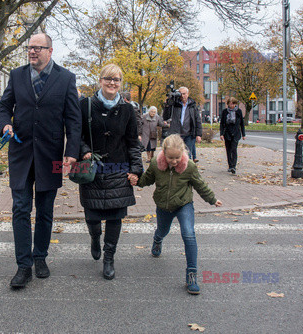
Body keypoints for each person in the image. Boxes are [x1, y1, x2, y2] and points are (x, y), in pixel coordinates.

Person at [0, 33, 81, 289]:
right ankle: (23, 266)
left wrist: (72, 151)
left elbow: (73, 120)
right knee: (20, 209)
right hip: (20, 154)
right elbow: (3, 107)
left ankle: (40, 257)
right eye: (29, 48)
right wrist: (5, 125)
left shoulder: (66, 79)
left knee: (45, 211)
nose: (32, 52)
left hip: (50, 155)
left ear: (50, 51)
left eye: (37, 48)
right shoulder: (17, 75)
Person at [132, 134, 222, 294]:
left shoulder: (189, 167)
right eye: (170, 157)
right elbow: (147, 180)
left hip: (183, 204)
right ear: (164, 154)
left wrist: (212, 199)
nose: (174, 161)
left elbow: (200, 185)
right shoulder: (155, 164)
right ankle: (157, 240)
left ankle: (192, 275)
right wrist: (136, 180)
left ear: (183, 153)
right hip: (163, 206)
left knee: (188, 234)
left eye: (177, 157)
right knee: (162, 231)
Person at [79, 64, 142, 280]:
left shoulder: (127, 109)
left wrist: (136, 170)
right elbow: (76, 135)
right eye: (108, 78)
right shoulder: (85, 105)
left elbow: (133, 142)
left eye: (116, 79)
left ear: (120, 83)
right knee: (92, 215)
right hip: (92, 170)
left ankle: (109, 257)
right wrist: (84, 150)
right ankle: (94, 237)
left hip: (118, 169)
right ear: (100, 80)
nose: (112, 83)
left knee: (115, 217)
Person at [162, 87, 202, 163]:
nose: (182, 96)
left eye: (184, 94)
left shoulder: (192, 105)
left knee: (187, 155)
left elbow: (197, 120)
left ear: (188, 94)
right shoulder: (174, 104)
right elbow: (166, 117)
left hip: (189, 134)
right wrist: (167, 104)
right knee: (176, 154)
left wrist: (198, 134)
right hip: (176, 134)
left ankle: (187, 172)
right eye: (181, 94)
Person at [220, 97, 246, 174]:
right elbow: (222, 123)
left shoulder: (239, 111)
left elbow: (242, 123)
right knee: (228, 150)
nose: (231, 105)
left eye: (233, 104)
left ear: (235, 104)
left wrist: (243, 134)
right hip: (227, 132)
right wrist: (221, 134)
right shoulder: (225, 112)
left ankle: (233, 166)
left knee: (234, 149)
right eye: (230, 104)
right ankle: (230, 165)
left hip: (236, 132)